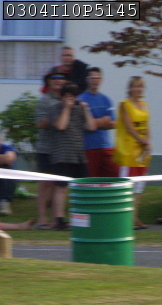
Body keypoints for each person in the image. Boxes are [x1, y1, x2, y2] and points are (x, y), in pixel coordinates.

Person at [48, 82, 96, 230]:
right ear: (62, 97)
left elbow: (92, 127)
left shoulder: (79, 109)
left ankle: (83, 217)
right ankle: (59, 220)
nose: (70, 99)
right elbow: (61, 126)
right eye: (67, 96)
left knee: (84, 186)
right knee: (61, 187)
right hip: (62, 154)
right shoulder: (55, 109)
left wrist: (86, 109)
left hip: (78, 154)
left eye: (73, 96)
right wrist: (67, 108)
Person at [113, 76, 151, 229]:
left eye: (140, 86)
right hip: (129, 152)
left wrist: (148, 142)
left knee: (139, 187)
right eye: (135, 86)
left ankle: (134, 217)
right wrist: (142, 140)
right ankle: (123, 218)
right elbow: (129, 127)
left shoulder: (144, 105)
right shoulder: (125, 105)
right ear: (130, 88)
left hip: (141, 152)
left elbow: (146, 126)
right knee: (126, 187)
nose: (138, 89)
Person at [33, 70, 67, 229]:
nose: (58, 81)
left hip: (62, 149)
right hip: (46, 149)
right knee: (45, 184)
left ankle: (56, 219)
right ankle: (42, 219)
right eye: (54, 78)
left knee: (58, 185)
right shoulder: (44, 101)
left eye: (61, 78)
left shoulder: (68, 99)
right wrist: (55, 118)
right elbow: (39, 124)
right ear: (49, 82)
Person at [78, 67, 117, 177]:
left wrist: (93, 122)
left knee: (112, 177)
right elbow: (83, 125)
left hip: (106, 146)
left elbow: (113, 124)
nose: (95, 81)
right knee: (91, 180)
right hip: (89, 147)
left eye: (97, 78)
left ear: (101, 80)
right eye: (92, 78)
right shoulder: (81, 100)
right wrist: (102, 121)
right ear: (87, 79)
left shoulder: (106, 100)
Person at [0, 135, 17, 217]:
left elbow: (8, 159)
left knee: (6, 168)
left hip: (5, 179)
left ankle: (4, 203)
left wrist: (4, 159)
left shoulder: (7, 148)